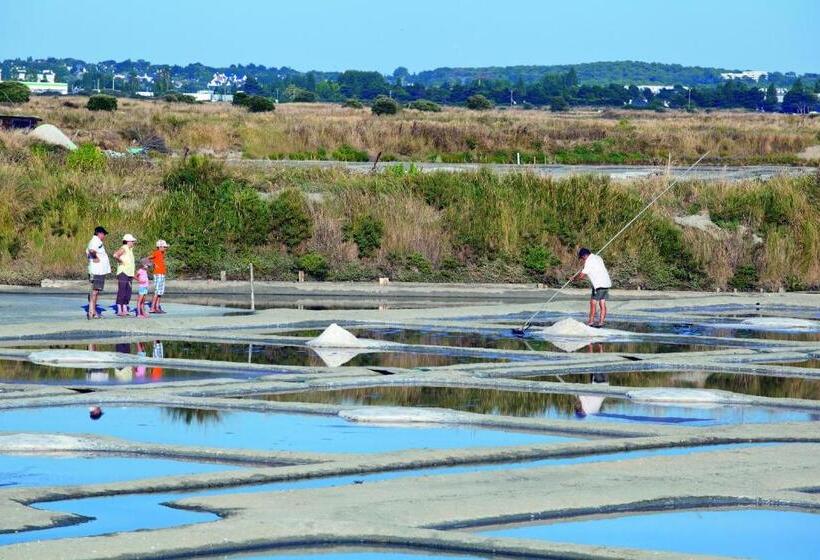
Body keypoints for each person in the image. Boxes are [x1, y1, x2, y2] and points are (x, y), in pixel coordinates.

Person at [572, 247, 612, 327]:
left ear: (584, 256)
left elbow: (581, 276)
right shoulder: (598, 257)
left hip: (598, 284)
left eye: (582, 258)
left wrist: (573, 279)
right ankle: (601, 322)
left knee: (593, 303)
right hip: (606, 283)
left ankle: (590, 322)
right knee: (602, 302)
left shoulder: (589, 261)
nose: (583, 260)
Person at [85, 226, 111, 319]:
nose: (104, 236)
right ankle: (92, 312)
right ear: (99, 233)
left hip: (98, 270)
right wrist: (96, 258)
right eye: (104, 234)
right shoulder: (95, 241)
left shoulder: (97, 241)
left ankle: (92, 310)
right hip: (97, 271)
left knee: (95, 291)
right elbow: (92, 250)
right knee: (95, 291)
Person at [112, 234, 137, 317]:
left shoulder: (130, 249)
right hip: (123, 272)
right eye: (132, 241)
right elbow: (115, 255)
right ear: (128, 241)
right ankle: (119, 309)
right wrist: (120, 261)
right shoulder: (124, 247)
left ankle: (125, 308)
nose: (133, 242)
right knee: (122, 290)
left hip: (129, 273)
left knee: (128, 291)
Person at [149, 239, 169, 313]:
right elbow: (148, 258)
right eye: (164, 247)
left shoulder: (162, 253)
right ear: (160, 247)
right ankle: (152, 308)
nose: (165, 248)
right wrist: (153, 264)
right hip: (158, 274)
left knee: (160, 291)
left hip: (162, 274)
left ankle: (157, 307)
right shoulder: (157, 252)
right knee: (157, 291)